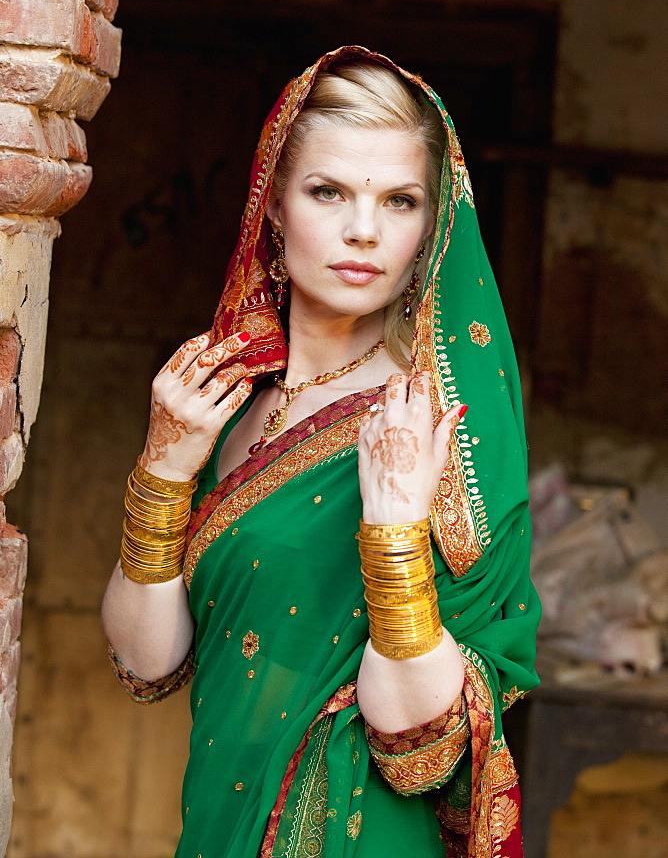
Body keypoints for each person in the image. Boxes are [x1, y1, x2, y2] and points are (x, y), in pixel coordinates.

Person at [102, 46, 540, 858]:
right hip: (218, 819)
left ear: (432, 223)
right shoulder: (226, 407)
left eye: (400, 200)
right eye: (328, 191)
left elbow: (421, 744)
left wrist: (397, 531)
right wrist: (163, 470)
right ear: (273, 205)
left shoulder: (437, 428)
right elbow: (145, 662)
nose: (363, 231)